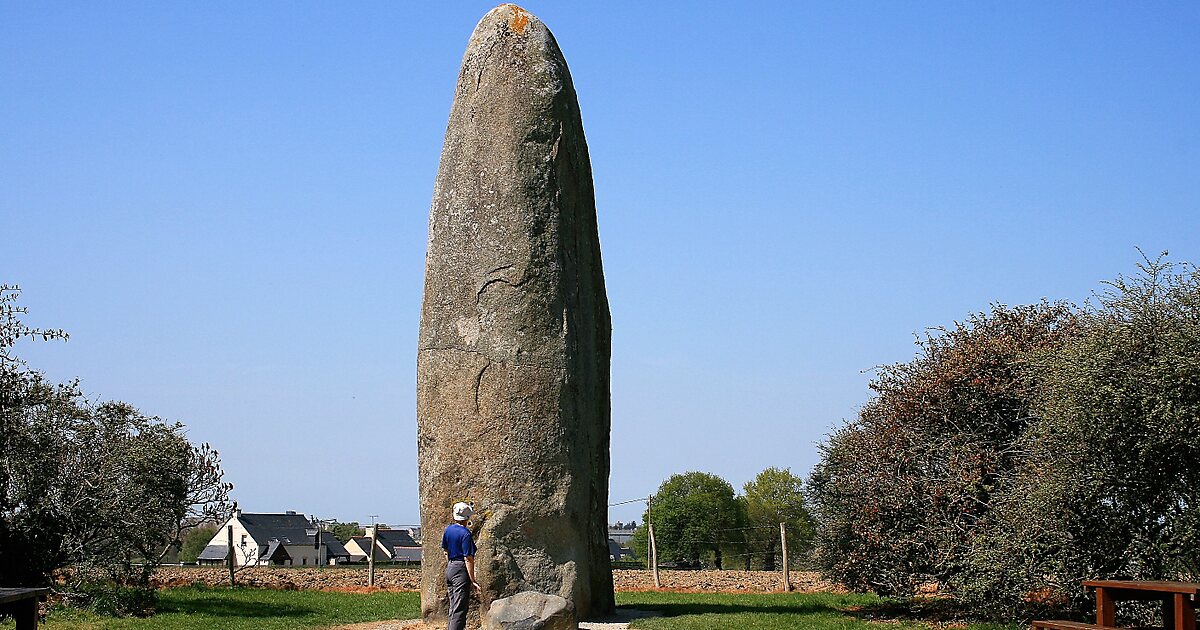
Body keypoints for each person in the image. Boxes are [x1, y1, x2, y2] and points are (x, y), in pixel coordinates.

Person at [442, 501, 479, 630]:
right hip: (460, 569)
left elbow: (445, 551)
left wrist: (451, 565)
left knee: (453, 605)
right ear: (467, 518)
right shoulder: (465, 534)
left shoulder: (448, 530)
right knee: (460, 608)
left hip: (451, 567)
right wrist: (473, 579)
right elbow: (468, 558)